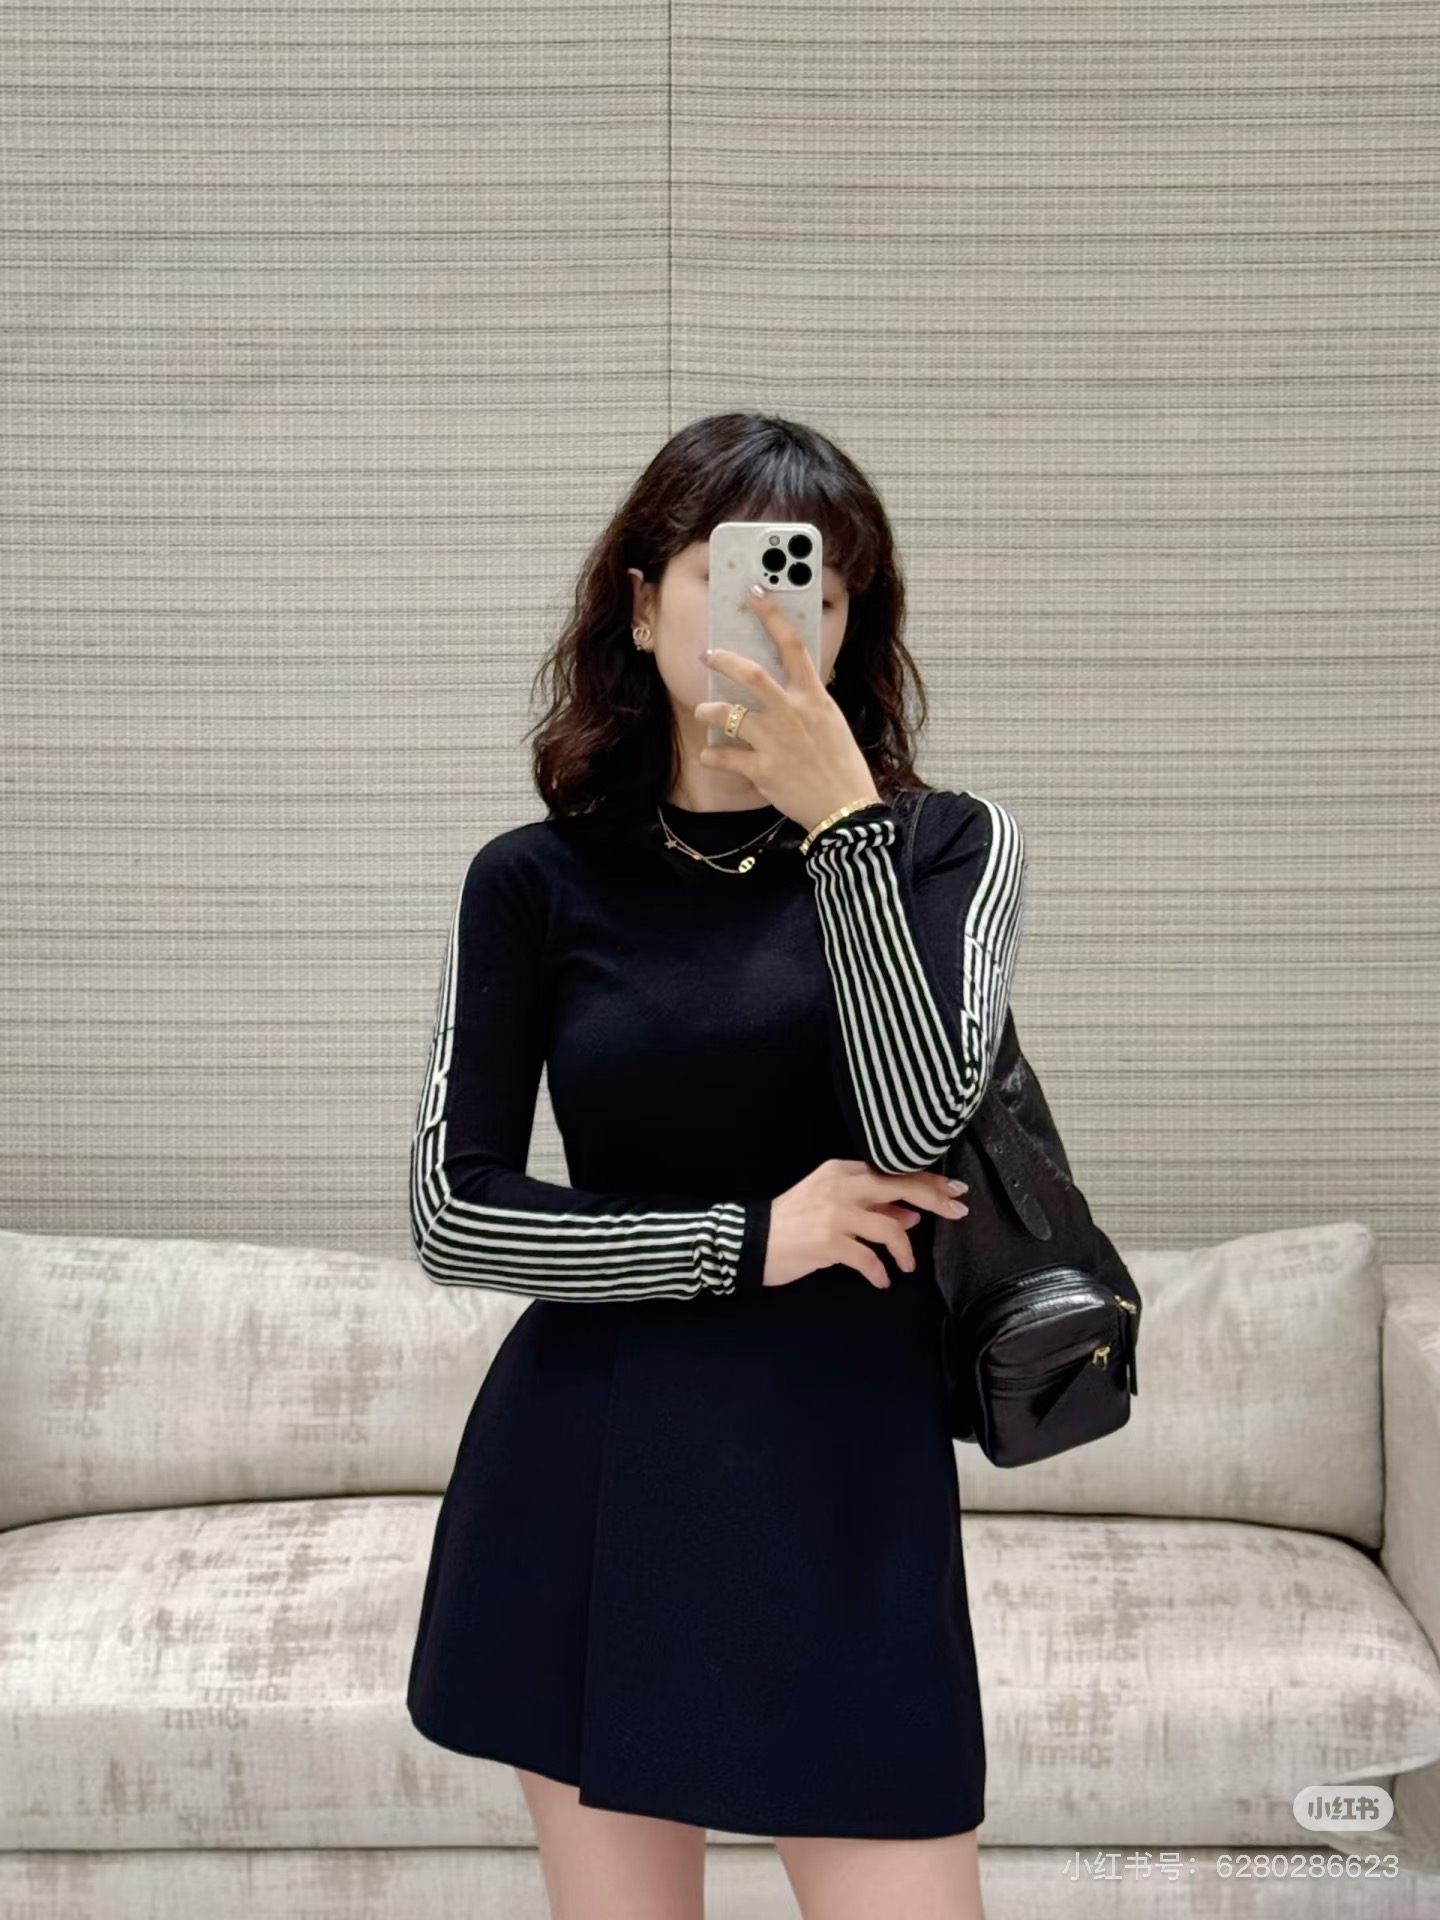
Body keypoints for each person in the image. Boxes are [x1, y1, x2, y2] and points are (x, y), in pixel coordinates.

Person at [405, 411, 1027, 1920]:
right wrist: (753, 1237)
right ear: (640, 604)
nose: (782, 611)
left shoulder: (947, 849)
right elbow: (453, 1212)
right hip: (594, 1469)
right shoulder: (533, 880)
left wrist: (844, 828)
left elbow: (917, 1123)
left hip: (844, 1484)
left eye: (823, 584)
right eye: (730, 569)